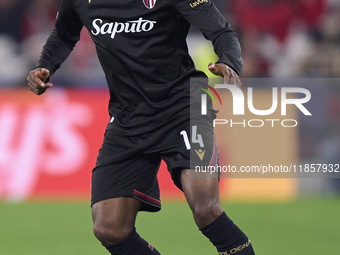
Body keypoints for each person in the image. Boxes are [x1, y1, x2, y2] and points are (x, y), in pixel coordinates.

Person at [27, 0, 255, 254]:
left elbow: (222, 31)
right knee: (109, 228)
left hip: (185, 107)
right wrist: (44, 66)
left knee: (205, 207)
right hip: (128, 119)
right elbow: (63, 35)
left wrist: (229, 61)